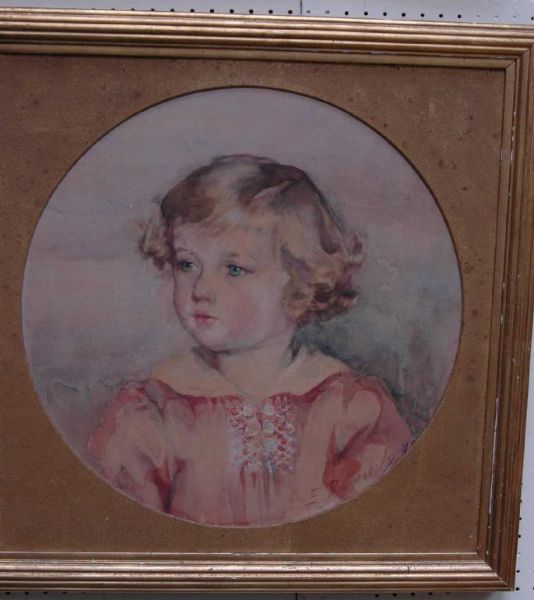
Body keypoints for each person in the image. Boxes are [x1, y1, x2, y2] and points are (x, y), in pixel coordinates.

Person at [89, 154, 412, 527]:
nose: (201, 289)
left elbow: (376, 529)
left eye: (234, 269)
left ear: (300, 280)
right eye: (187, 264)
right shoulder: (149, 412)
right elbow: (124, 532)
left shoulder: (352, 408)